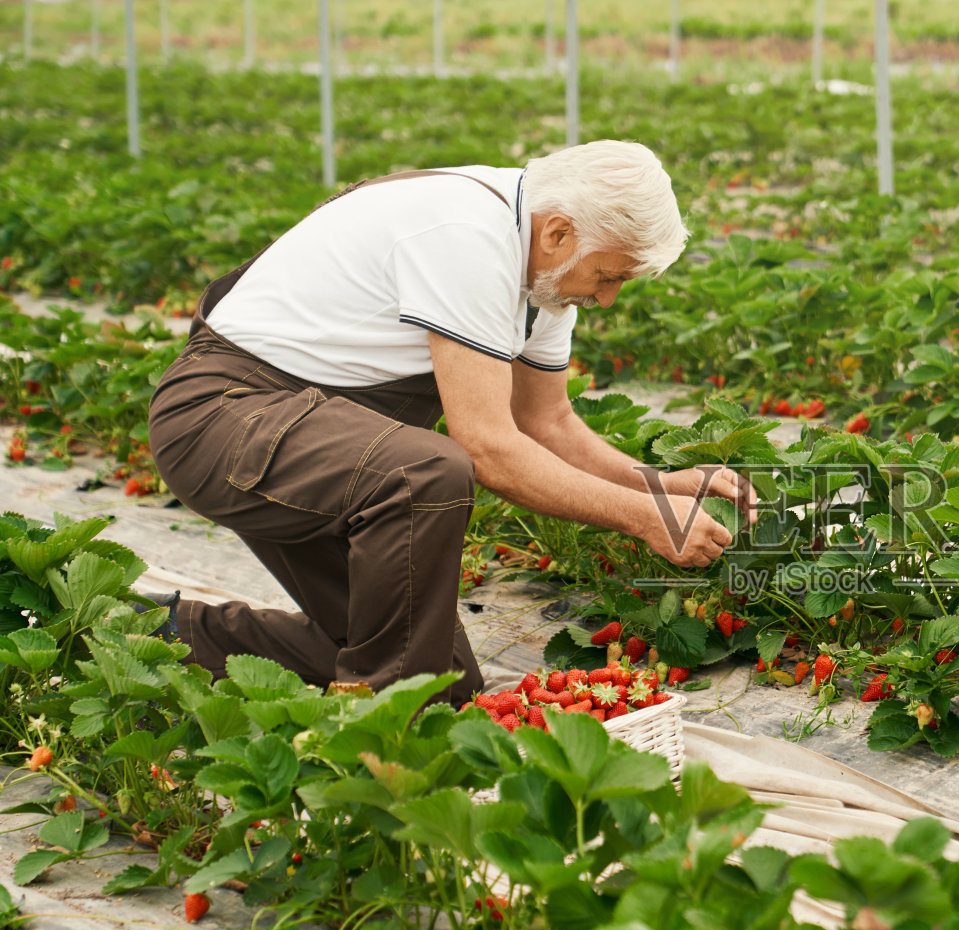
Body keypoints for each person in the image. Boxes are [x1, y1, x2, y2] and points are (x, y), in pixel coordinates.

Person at [147, 141, 754, 706]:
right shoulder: (467, 235)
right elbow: (488, 448)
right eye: (609, 276)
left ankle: (161, 635)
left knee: (438, 678)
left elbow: (549, 424)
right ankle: (377, 737)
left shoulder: (544, 280)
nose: (610, 298)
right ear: (560, 231)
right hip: (224, 418)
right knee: (428, 474)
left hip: (321, 439)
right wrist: (643, 519)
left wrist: (664, 487)